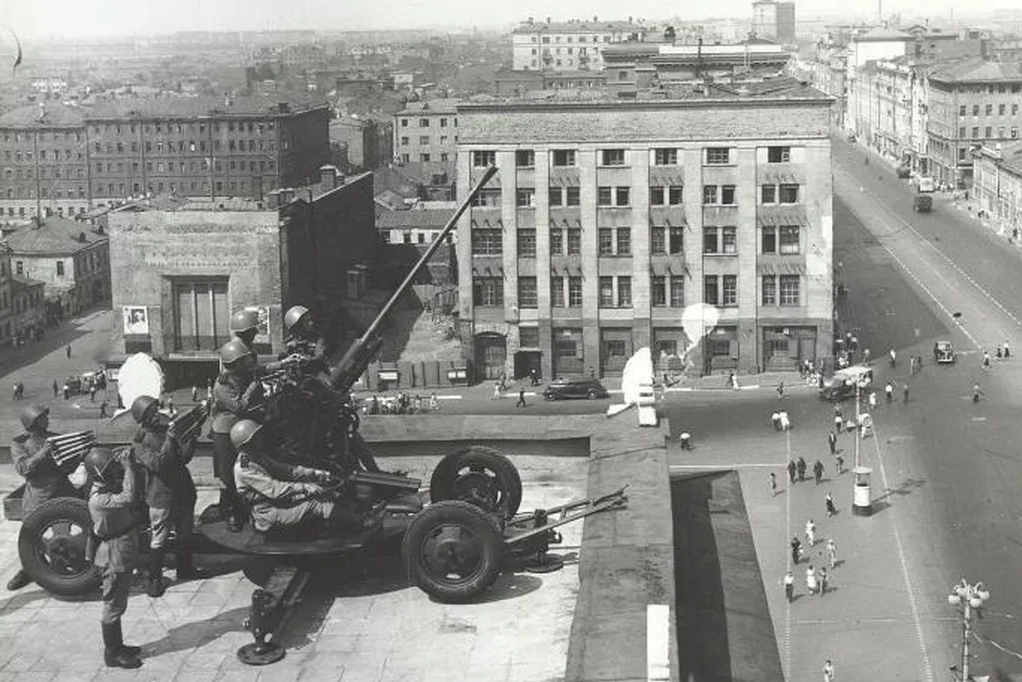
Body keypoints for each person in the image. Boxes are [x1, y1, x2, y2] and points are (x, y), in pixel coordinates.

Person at [231, 419, 385, 535]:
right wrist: (306, 487)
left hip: (277, 503)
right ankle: (362, 523)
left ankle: (361, 513)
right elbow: (275, 489)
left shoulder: (258, 457)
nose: (260, 438)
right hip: (267, 512)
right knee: (317, 504)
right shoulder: (244, 468)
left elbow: (288, 471)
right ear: (246, 445)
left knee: (329, 492)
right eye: (255, 437)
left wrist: (316, 474)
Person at [130, 395, 205, 599]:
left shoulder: (166, 431)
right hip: (161, 495)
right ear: (144, 418)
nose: (157, 414)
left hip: (183, 491)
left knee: (185, 533)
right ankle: (154, 578)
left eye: (156, 409)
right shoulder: (139, 444)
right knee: (159, 538)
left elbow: (184, 458)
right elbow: (159, 465)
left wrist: (191, 438)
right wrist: (171, 440)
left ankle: (185, 568)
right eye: (152, 413)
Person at [7, 405, 79, 590]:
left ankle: (71, 559)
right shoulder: (19, 443)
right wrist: (44, 452)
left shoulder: (54, 437)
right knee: (31, 534)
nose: (47, 420)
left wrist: (77, 457)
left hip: (62, 488)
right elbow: (23, 469)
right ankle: (29, 568)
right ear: (32, 421)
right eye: (42, 418)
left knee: (79, 524)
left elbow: (67, 468)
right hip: (38, 494)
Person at [83, 447, 143, 669]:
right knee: (113, 604)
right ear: (99, 474)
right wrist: (129, 469)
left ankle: (118, 646)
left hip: (121, 548)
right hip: (113, 553)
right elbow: (128, 497)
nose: (115, 471)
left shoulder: (107, 487)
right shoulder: (98, 499)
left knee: (119, 602)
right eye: (110, 469)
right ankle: (112, 653)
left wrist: (128, 463)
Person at [210, 339, 264, 532]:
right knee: (227, 476)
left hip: (242, 429)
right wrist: (253, 386)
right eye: (244, 361)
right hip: (225, 432)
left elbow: (264, 369)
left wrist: (286, 363)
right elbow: (239, 406)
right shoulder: (221, 384)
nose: (248, 363)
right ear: (234, 364)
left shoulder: (243, 374)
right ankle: (230, 512)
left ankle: (244, 508)